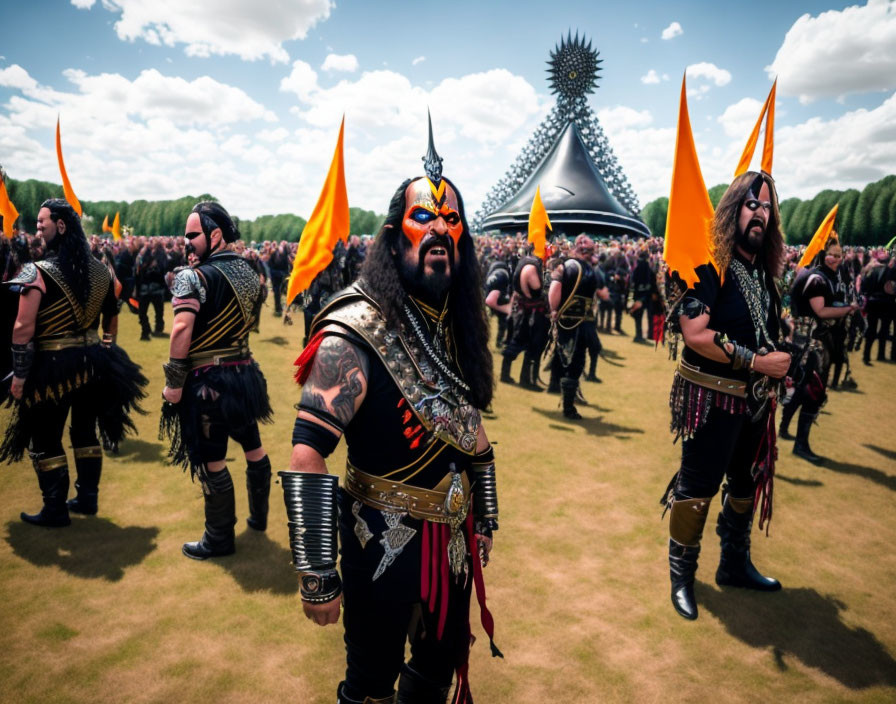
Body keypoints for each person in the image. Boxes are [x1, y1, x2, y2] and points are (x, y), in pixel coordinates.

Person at [280, 137, 500, 703]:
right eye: (422, 216)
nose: (438, 231)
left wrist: (486, 515)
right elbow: (307, 453)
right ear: (393, 234)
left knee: (435, 677)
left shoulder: (455, 321)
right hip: (379, 539)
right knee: (372, 687)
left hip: (451, 543)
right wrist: (316, 572)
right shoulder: (353, 328)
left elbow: (471, 430)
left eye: (451, 221)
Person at [663, 172, 790, 620]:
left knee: (744, 485)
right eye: (752, 204)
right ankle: (681, 577)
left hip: (756, 404)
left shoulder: (763, 272)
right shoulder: (707, 264)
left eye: (768, 207)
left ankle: (734, 565)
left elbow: (765, 327)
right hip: (712, 399)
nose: (760, 213)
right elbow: (696, 334)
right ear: (733, 207)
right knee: (698, 488)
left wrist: (783, 351)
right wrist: (757, 361)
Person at [1, 199, 147, 525]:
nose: (37, 228)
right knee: (85, 432)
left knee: (46, 436)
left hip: (53, 367)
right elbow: (112, 315)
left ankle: (55, 510)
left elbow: (22, 328)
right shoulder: (101, 270)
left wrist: (20, 377)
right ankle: (87, 499)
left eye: (42, 223)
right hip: (95, 365)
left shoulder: (36, 272)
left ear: (61, 226)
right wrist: (107, 349)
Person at [160, 201, 273, 560]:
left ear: (215, 235)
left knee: (213, 461)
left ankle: (219, 539)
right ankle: (258, 517)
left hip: (208, 383)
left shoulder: (192, 276)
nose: (186, 241)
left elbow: (181, 330)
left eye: (192, 235)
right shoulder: (248, 273)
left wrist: (174, 384)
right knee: (253, 445)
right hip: (244, 375)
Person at [548, 234, 609, 418]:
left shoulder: (564, 266)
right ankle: (568, 408)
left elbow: (554, 290)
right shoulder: (591, 270)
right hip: (582, 324)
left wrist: (554, 311)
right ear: (588, 252)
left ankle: (555, 388)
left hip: (566, 320)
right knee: (575, 363)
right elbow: (603, 295)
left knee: (564, 355)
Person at [500, 245, 548, 390]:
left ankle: (508, 375)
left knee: (520, 342)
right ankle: (524, 380)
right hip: (532, 312)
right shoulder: (531, 266)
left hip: (525, 310)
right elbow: (536, 286)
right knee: (530, 344)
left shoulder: (524, 262)